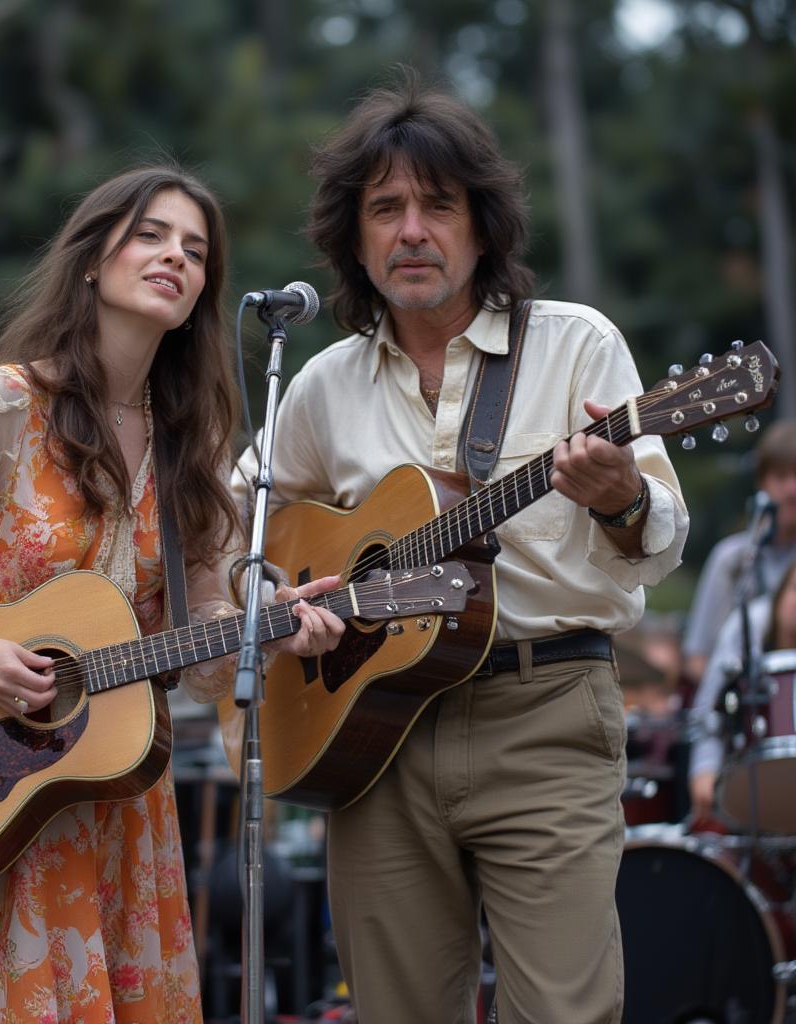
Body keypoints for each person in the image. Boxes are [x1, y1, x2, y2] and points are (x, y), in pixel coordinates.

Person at [0, 166, 344, 1023]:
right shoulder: (6, 403)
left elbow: (205, 649)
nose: (175, 257)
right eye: (151, 235)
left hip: (116, 800)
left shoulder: (196, 444)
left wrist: (271, 633)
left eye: (195, 251)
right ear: (91, 260)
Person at [232, 76, 689, 1024]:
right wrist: (283, 600)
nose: (411, 231)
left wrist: (621, 500)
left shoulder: (576, 347)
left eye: (438, 206)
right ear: (352, 236)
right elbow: (233, 528)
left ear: (483, 225)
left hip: (547, 709)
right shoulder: (320, 385)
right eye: (385, 208)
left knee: (565, 1012)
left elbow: (663, 538)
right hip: (372, 734)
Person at [681, 420, 796, 684]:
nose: (792, 490)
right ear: (762, 483)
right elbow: (697, 660)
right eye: (781, 477)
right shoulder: (732, 559)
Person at [688, 556, 796, 821]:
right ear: (782, 590)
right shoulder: (748, 626)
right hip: (747, 795)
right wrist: (705, 768)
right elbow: (709, 710)